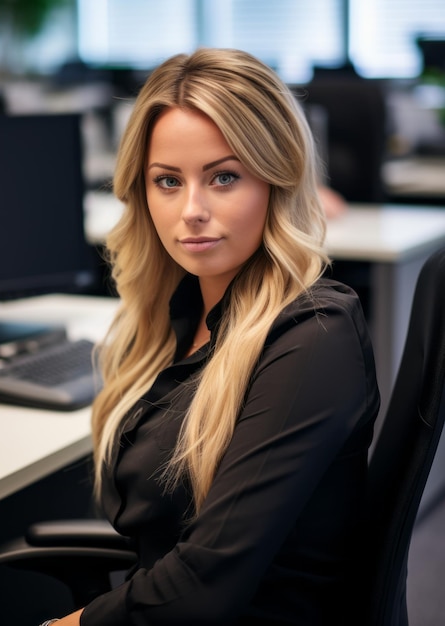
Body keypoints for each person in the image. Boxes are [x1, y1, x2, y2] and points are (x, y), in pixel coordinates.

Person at [46, 48, 380, 626]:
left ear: (277, 178)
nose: (191, 210)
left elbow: (204, 587)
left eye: (224, 177)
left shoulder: (312, 339)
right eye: (167, 181)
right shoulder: (175, 318)